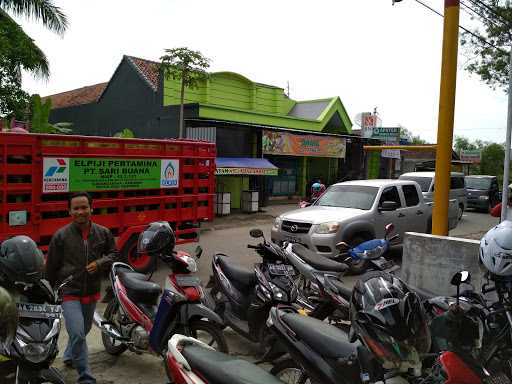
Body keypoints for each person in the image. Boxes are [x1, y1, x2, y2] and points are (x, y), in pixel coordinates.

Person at [46, 192, 118, 384]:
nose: (80, 212)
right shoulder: (61, 236)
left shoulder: (103, 233)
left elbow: (113, 254)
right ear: (69, 210)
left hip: (91, 291)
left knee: (83, 330)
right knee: (77, 332)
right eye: (76, 208)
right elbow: (51, 267)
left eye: (84, 207)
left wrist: (100, 262)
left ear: (91, 208)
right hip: (69, 291)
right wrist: (47, 292)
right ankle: (85, 376)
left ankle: (69, 355)